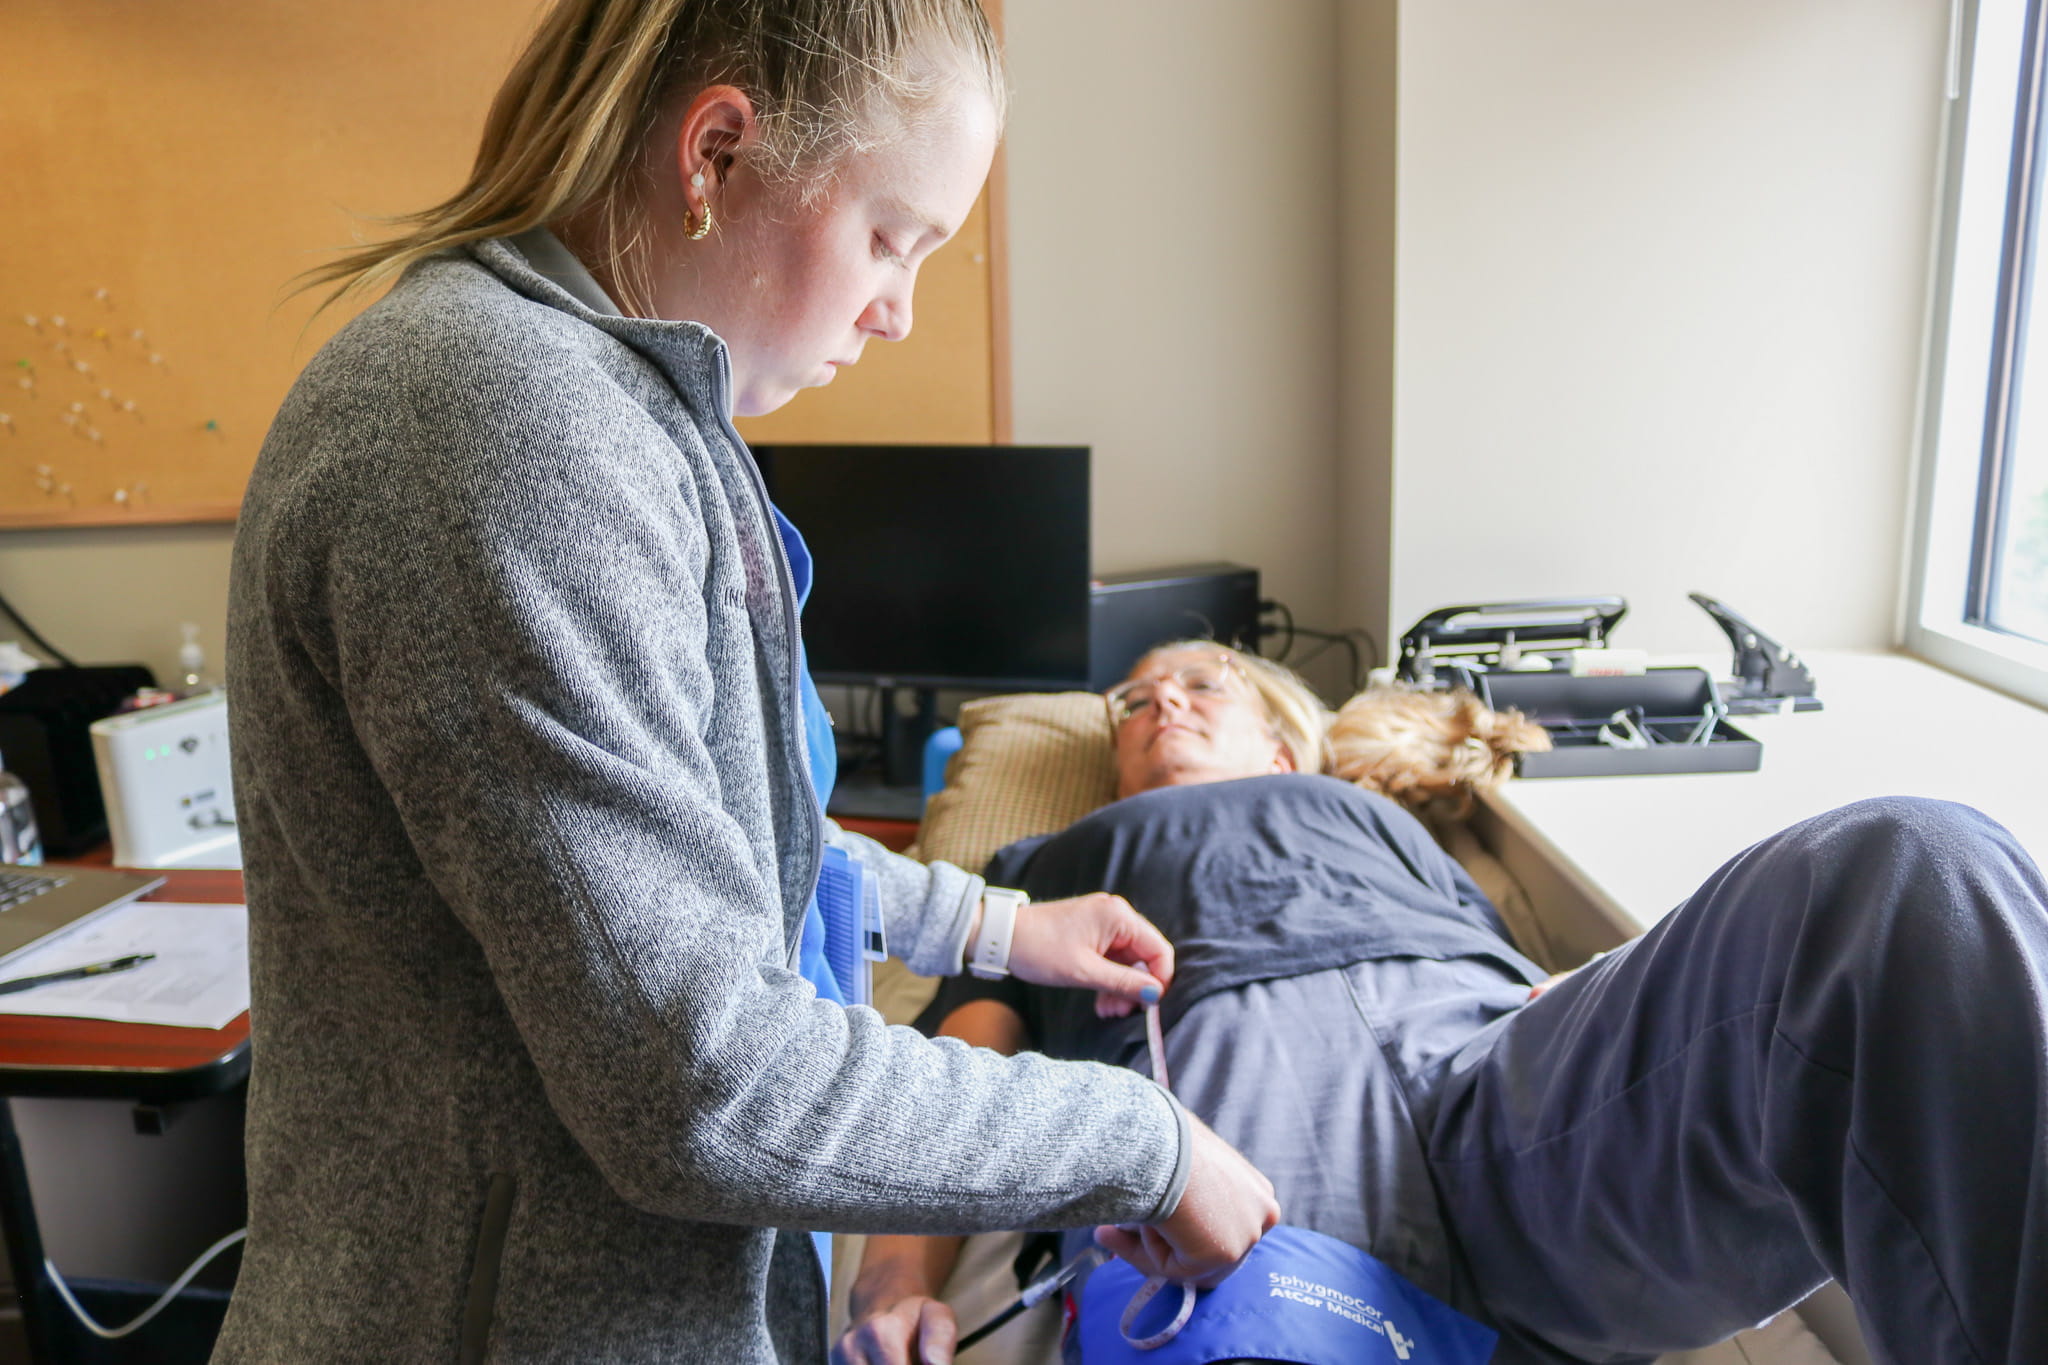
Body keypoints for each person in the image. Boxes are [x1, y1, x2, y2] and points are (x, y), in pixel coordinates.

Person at [219, 5, 1277, 1360]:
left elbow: (717, 845)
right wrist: (1150, 1147)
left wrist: (997, 929)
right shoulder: (502, 432)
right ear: (715, 154)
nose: (898, 312)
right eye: (894, 238)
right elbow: (710, 1087)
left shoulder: (619, 412)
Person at [837, 642, 2048, 1365]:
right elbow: (965, 1054)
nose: (1162, 707)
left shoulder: (1376, 816)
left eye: (1201, 685)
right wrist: (893, 1286)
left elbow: (1505, 966)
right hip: (1226, 1102)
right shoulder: (1045, 864)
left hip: (1494, 1074)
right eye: (1135, 704)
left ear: (1281, 741)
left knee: (1907, 878)